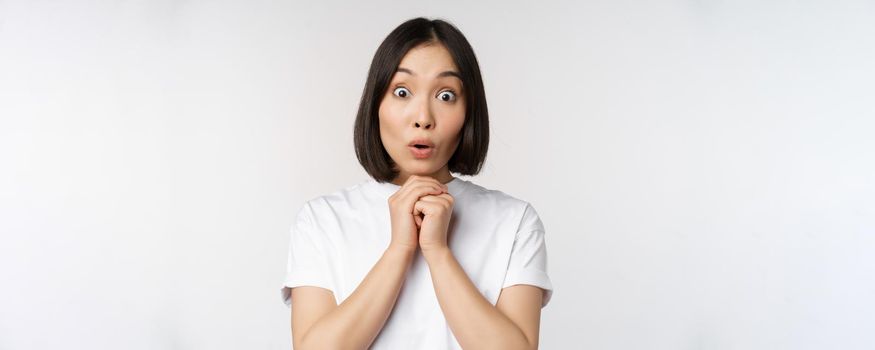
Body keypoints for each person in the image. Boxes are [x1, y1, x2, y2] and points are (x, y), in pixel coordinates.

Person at [280, 17, 553, 349]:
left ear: (469, 112)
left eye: (446, 95)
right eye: (402, 92)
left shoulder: (515, 221)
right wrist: (400, 249)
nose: (423, 117)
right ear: (376, 105)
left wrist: (438, 252)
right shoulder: (321, 220)